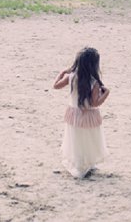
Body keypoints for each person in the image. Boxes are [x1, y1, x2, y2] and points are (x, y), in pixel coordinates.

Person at [53, 47, 110, 178]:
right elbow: (95, 103)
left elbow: (55, 86)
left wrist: (62, 72)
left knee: (75, 139)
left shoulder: (71, 77)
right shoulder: (94, 82)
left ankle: (78, 164)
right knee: (88, 139)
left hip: (74, 115)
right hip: (89, 116)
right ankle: (86, 164)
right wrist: (106, 93)